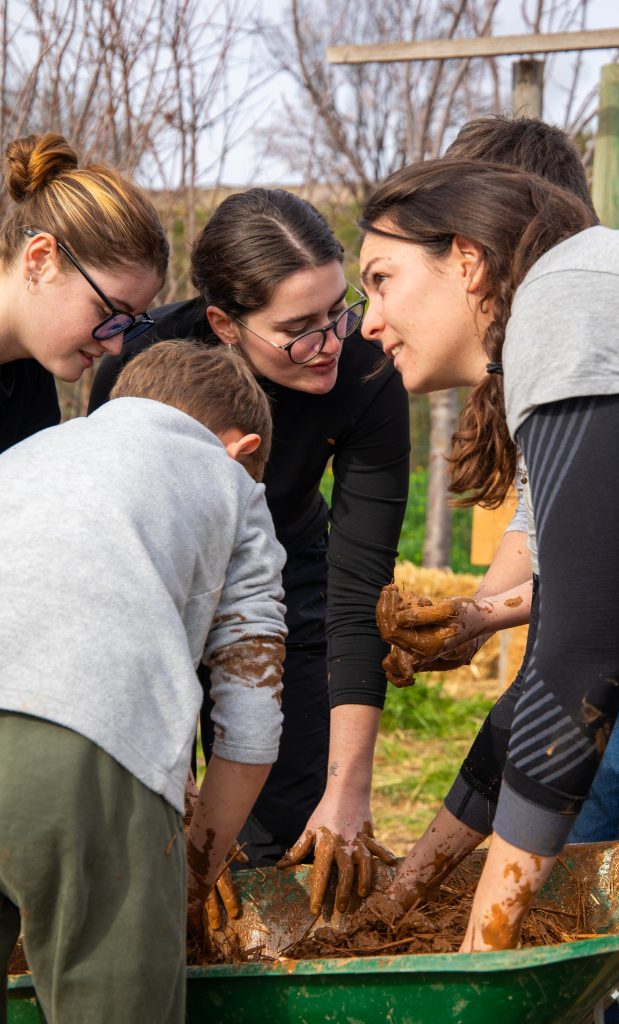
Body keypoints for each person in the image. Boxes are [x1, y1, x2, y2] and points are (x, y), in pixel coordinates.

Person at [377, 115, 619, 1023]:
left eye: (382, 281)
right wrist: (409, 890)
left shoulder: (565, 295)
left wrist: (481, 954)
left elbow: (582, 661)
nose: (368, 321)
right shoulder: (581, 310)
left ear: (466, 260)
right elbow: (553, 669)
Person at [88, 187, 410, 913]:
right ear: (223, 326)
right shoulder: (141, 367)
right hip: (159, 595)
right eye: (298, 328)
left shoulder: (363, 371)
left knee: (281, 833)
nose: (330, 341)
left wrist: (347, 787)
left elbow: (358, 586)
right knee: (148, 833)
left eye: (338, 311)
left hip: (291, 580)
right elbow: (116, 557)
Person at [0, 340, 287, 1024]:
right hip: (77, 739)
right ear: (240, 448)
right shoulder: (230, 483)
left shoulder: (27, 454)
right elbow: (251, 719)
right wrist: (194, 873)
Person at [0, 131, 167, 453]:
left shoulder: (31, 377)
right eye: (108, 313)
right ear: (41, 259)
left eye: (127, 324)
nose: (115, 345)